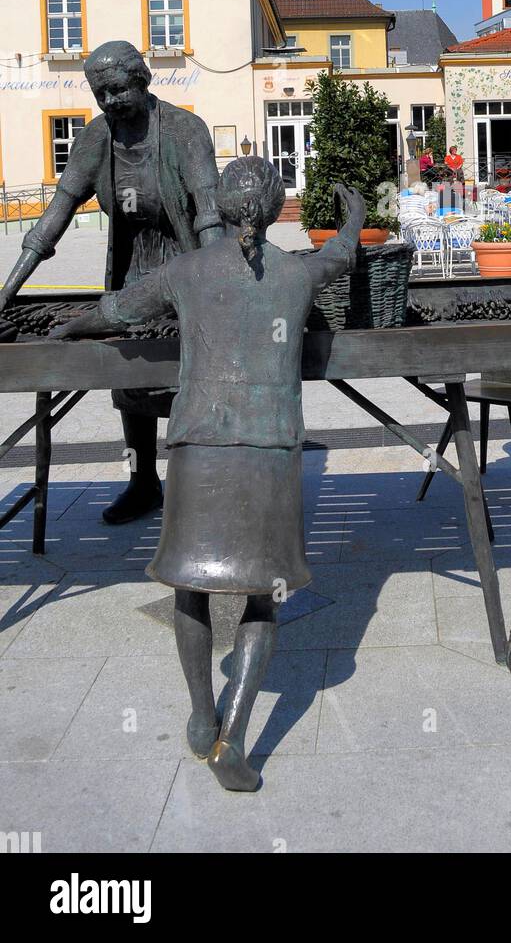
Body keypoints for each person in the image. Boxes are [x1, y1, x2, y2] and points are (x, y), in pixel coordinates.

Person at [53, 161, 366, 791]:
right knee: (261, 594)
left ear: (219, 207)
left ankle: (202, 713)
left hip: (198, 443)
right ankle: (235, 737)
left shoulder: (186, 270)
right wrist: (355, 217)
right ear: (278, 210)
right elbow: (341, 255)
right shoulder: (295, 274)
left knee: (189, 583)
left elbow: (119, 310)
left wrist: (71, 325)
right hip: (269, 448)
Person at [0, 40, 222, 524]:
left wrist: (216, 284)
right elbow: (53, 219)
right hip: (129, 273)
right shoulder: (96, 138)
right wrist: (6, 294)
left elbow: (208, 212)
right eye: (100, 94)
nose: (110, 102)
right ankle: (143, 482)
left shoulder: (186, 131)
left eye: (118, 89)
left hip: (184, 266)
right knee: (130, 382)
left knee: (197, 377)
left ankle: (203, 485)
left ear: (143, 80)